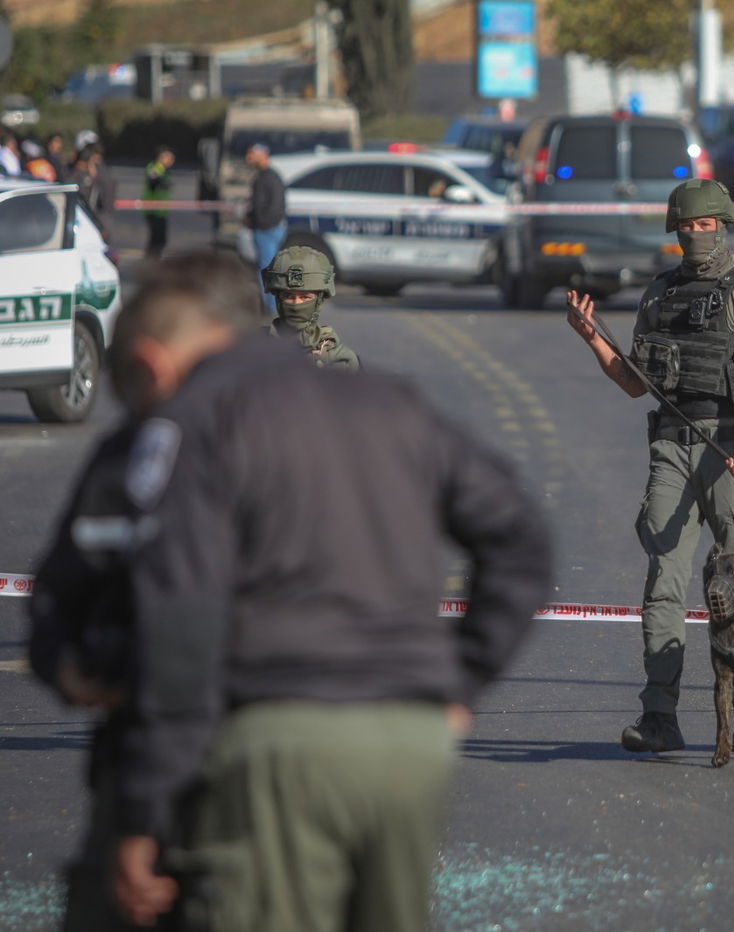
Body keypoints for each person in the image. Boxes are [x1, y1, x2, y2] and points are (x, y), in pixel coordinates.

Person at [40, 250, 552, 931]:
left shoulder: (193, 424)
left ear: (155, 365)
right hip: (410, 750)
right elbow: (522, 538)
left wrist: (143, 807)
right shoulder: (388, 400)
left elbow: (181, 623)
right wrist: (461, 682)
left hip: (274, 740)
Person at [28, 253, 264, 932]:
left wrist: (138, 821)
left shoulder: (273, 449)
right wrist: (66, 663)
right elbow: (61, 588)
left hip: (221, 757)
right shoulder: (134, 457)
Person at [564, 177, 734, 754]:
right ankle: (660, 713)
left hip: (728, 446)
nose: (695, 233)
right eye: (686, 225)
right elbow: (635, 385)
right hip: (670, 447)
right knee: (663, 578)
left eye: (705, 224)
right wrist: (592, 338)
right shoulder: (659, 296)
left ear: (724, 224)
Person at [262, 245, 360, 369]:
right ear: (277, 298)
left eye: (305, 297)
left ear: (319, 300)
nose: (296, 304)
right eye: (288, 296)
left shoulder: (339, 359)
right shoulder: (254, 347)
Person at [245, 143, 287, 312]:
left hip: (267, 229)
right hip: (264, 227)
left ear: (263, 155)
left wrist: (262, 222)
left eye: (252, 153)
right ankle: (267, 304)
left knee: (267, 269)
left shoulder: (270, 177)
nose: (248, 157)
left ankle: (270, 307)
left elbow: (275, 205)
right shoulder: (262, 176)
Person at [142, 146, 175, 259]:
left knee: (160, 240)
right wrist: (160, 181)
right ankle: (151, 264)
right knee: (156, 240)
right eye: (169, 157)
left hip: (160, 211)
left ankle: (153, 262)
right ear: (161, 157)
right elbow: (153, 180)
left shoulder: (164, 170)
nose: (171, 160)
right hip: (153, 210)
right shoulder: (155, 168)